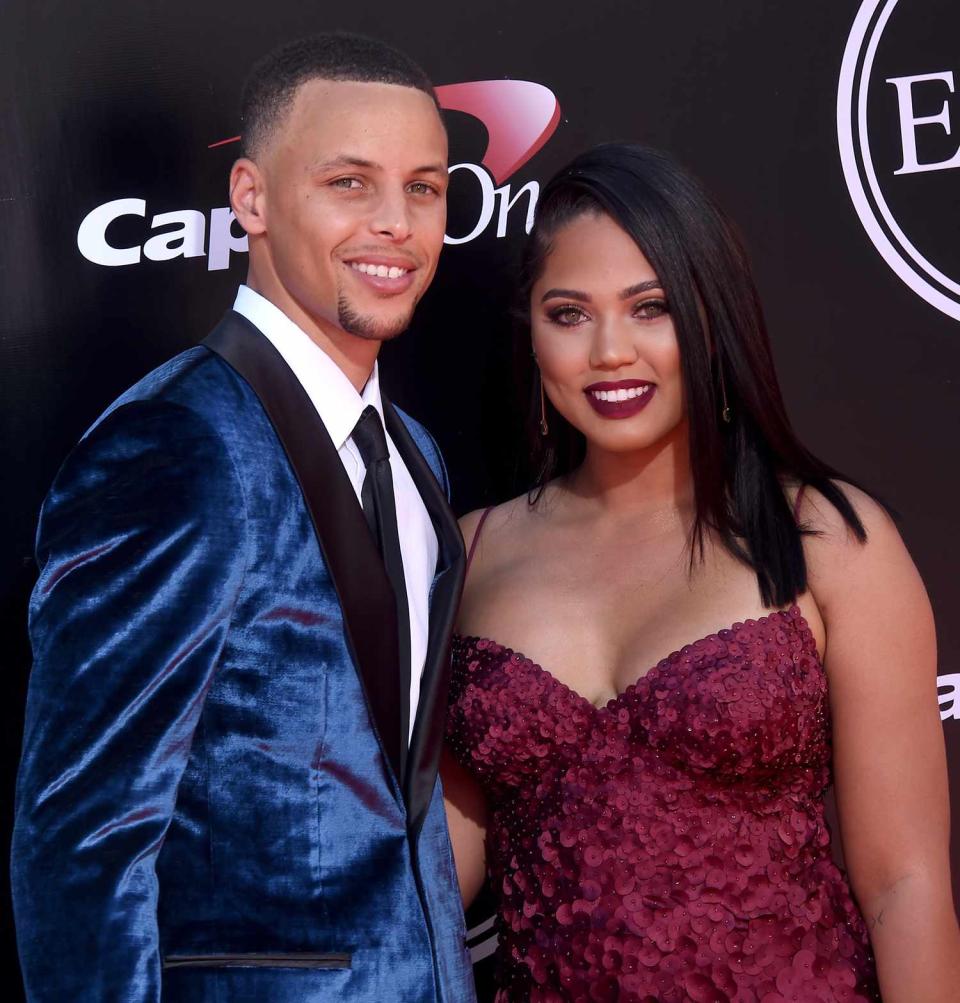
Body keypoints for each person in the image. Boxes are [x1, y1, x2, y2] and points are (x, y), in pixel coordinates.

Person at [12, 33, 475, 1003]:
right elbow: (83, 845)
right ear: (253, 200)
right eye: (350, 183)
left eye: (424, 188)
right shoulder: (175, 448)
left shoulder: (417, 455)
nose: (395, 222)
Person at [441, 144, 960, 1002]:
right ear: (529, 332)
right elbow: (429, 884)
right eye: (568, 314)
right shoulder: (471, 553)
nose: (610, 351)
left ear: (708, 317)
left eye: (650, 309)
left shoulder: (826, 537)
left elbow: (905, 882)